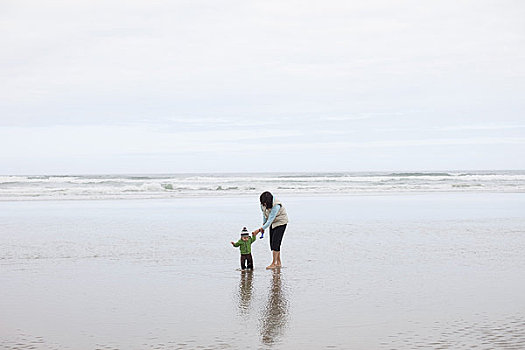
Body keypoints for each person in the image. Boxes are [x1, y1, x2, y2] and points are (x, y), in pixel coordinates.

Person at [252, 191, 288, 269]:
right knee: (272, 243)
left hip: (281, 222)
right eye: (263, 203)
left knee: (276, 243)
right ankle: (278, 262)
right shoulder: (262, 204)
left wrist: (258, 230)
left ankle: (273, 263)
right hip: (272, 223)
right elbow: (264, 216)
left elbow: (271, 219)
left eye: (265, 203)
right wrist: (263, 227)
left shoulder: (276, 205)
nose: (264, 205)